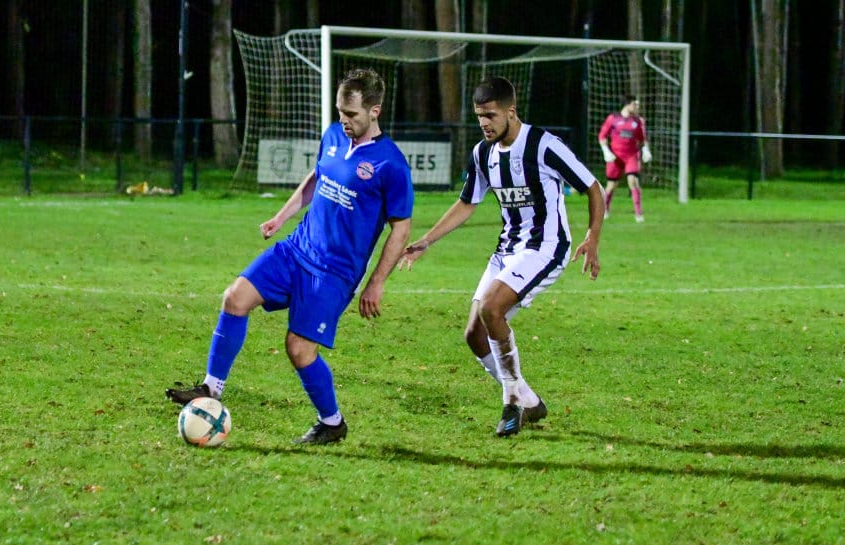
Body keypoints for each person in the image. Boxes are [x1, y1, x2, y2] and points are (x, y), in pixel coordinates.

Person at [166, 68, 414, 445]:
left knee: (298, 349)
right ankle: (211, 389)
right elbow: (317, 177)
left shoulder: (391, 164)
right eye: (340, 112)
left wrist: (376, 283)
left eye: (352, 114)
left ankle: (332, 422)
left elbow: (401, 229)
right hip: (296, 249)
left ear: (374, 111)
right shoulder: (333, 136)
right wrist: (281, 217)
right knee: (235, 298)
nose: (344, 121)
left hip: (333, 273)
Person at [398, 77, 604, 437]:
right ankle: (529, 400)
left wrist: (592, 237)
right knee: (474, 334)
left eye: (490, 115)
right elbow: (467, 203)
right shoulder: (483, 153)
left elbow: (593, 187)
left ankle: (512, 403)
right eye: (479, 116)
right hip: (507, 249)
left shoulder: (543, 145)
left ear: (511, 111)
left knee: (491, 308)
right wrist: (427, 240)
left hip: (545, 247)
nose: (484, 123)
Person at [598, 94, 651, 222]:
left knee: (633, 181)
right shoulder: (613, 119)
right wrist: (606, 151)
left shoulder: (637, 121)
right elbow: (602, 136)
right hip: (615, 157)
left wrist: (645, 150)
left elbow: (642, 139)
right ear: (627, 104)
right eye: (634, 104)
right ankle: (605, 209)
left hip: (631, 156)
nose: (637, 107)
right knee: (611, 185)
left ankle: (638, 213)